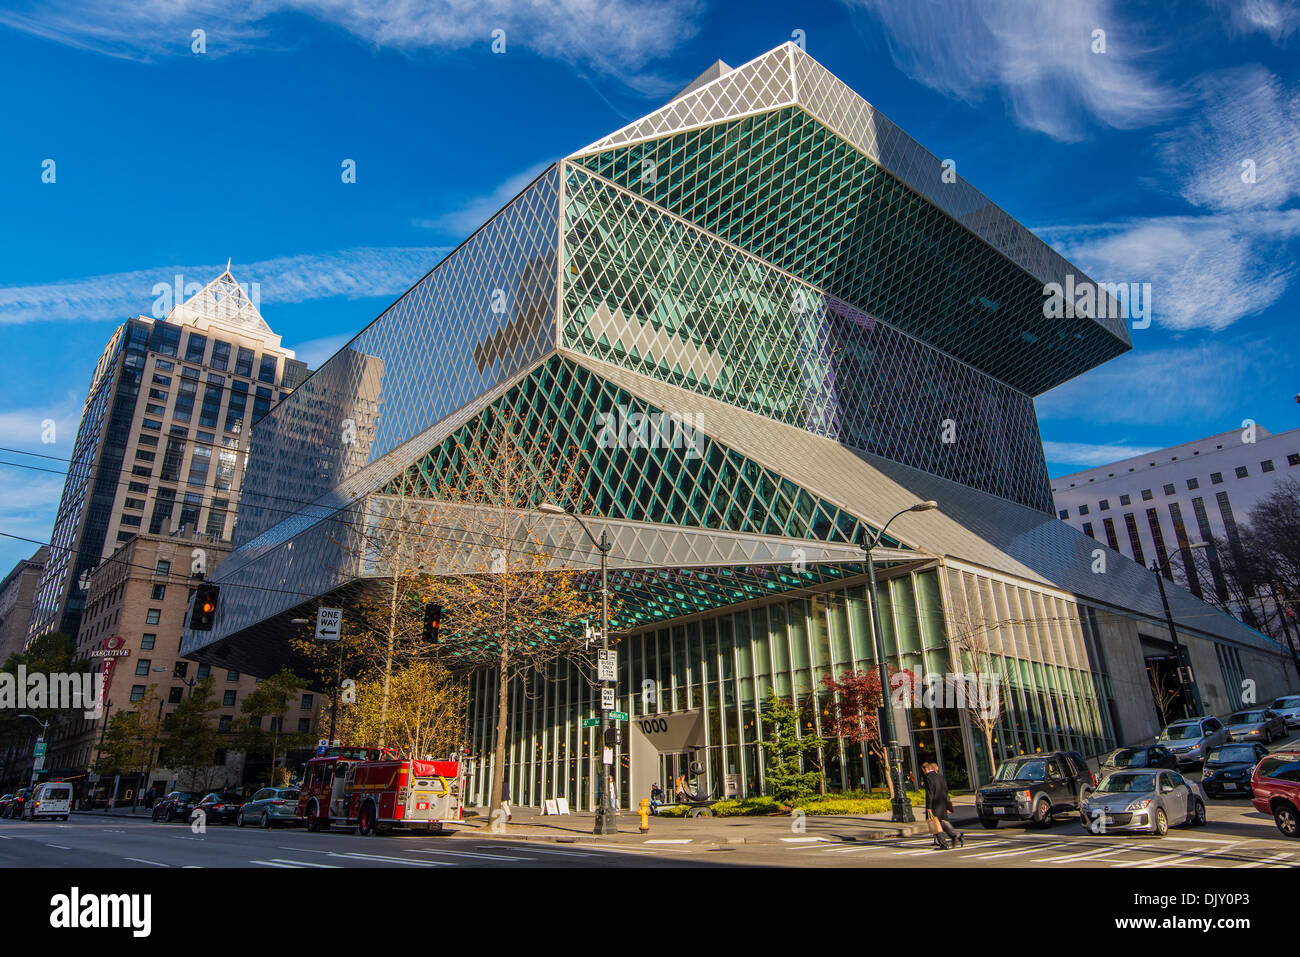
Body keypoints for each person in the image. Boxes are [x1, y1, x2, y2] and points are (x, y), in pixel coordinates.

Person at [923, 760, 962, 850]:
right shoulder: (940, 776)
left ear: (926, 769)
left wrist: (929, 807)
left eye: (924, 771)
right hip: (942, 802)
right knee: (942, 822)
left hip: (934, 804)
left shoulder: (929, 778)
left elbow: (929, 794)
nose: (924, 773)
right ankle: (955, 835)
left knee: (935, 824)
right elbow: (946, 790)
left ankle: (943, 844)